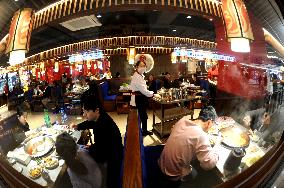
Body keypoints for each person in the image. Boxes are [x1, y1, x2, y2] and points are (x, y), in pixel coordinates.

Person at [158, 106, 220, 188]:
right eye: (213, 124)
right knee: (197, 174)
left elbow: (178, 133)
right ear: (209, 122)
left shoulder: (182, 121)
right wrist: (217, 144)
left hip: (161, 164)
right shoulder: (201, 135)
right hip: (172, 176)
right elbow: (208, 165)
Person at [71, 94, 123, 188]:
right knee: (83, 144)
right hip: (110, 150)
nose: (84, 114)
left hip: (113, 160)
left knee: (80, 155)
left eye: (86, 112)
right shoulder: (101, 117)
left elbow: (100, 154)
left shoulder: (103, 126)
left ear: (96, 110)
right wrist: (78, 126)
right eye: (83, 111)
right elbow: (89, 122)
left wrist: (89, 148)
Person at [130, 61, 155, 136]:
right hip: (139, 98)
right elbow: (144, 90)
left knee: (143, 115)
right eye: (141, 66)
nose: (143, 67)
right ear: (137, 67)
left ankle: (143, 130)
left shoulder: (140, 75)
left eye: (144, 66)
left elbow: (144, 89)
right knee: (142, 115)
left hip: (141, 97)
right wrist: (153, 94)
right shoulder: (137, 76)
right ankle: (143, 131)